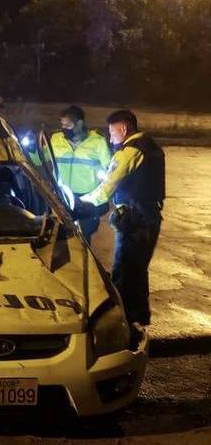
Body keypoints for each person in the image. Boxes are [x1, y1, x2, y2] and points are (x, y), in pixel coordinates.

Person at [79, 110, 165, 326]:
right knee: (137, 269)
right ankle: (140, 316)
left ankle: (121, 323)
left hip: (135, 220)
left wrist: (83, 202)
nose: (110, 138)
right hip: (150, 215)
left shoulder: (128, 152)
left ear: (123, 129)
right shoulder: (151, 146)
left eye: (112, 133)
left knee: (124, 270)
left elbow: (107, 187)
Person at [30, 105, 112, 242]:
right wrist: (32, 148)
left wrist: (102, 197)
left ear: (79, 124)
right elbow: (37, 160)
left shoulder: (98, 142)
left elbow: (110, 170)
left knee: (82, 239)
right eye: (62, 125)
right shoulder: (56, 139)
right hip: (61, 197)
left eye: (68, 125)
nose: (64, 129)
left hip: (86, 200)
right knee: (58, 238)